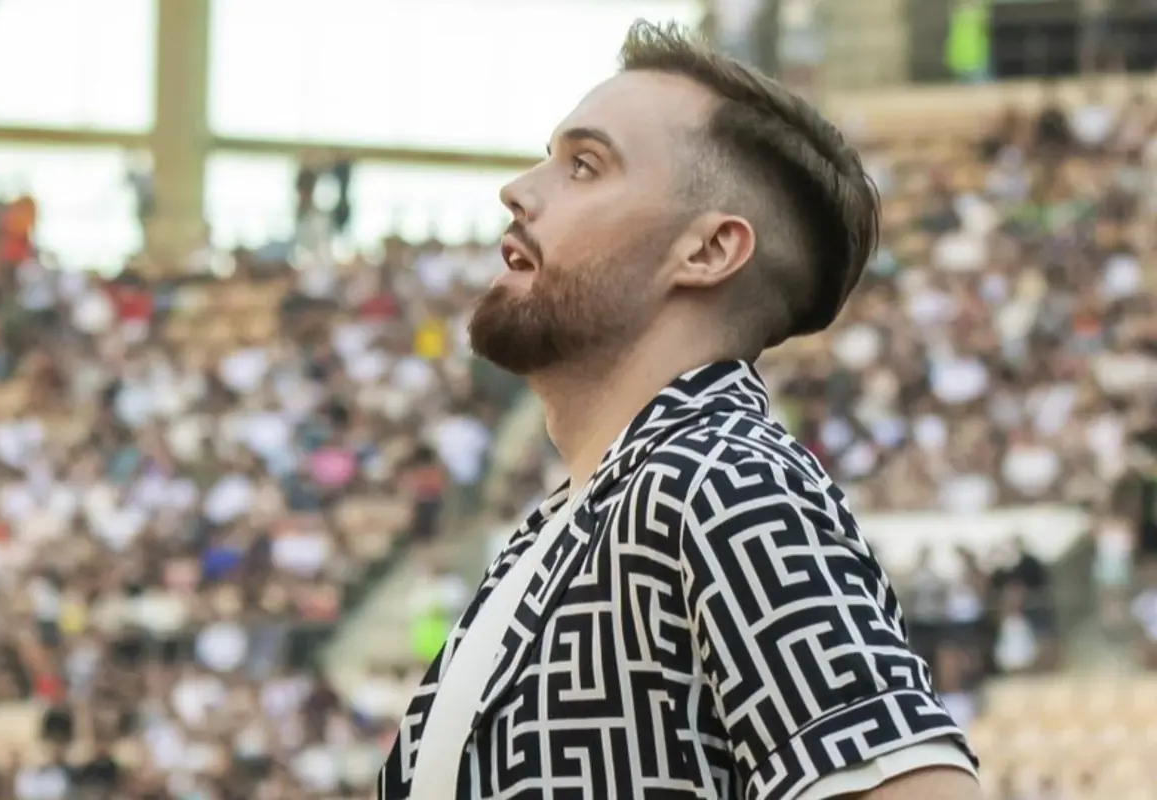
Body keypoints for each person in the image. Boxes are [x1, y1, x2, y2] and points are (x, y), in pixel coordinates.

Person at [380, 20, 981, 800]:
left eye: (584, 166)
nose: (519, 189)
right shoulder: (582, 515)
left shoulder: (720, 478)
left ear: (706, 253)